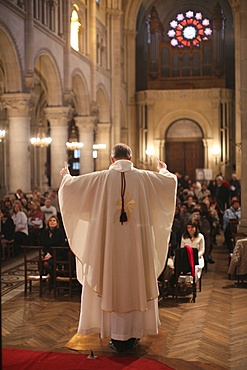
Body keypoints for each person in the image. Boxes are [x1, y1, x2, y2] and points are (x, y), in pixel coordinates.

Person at [59, 143, 177, 353]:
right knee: (135, 283)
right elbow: (169, 183)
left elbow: (72, 188)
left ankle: (115, 334)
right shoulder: (143, 177)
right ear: (130, 157)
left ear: (112, 159)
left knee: (110, 282)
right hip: (136, 249)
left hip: (109, 248)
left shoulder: (101, 178)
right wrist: (163, 170)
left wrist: (66, 176)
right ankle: (133, 334)